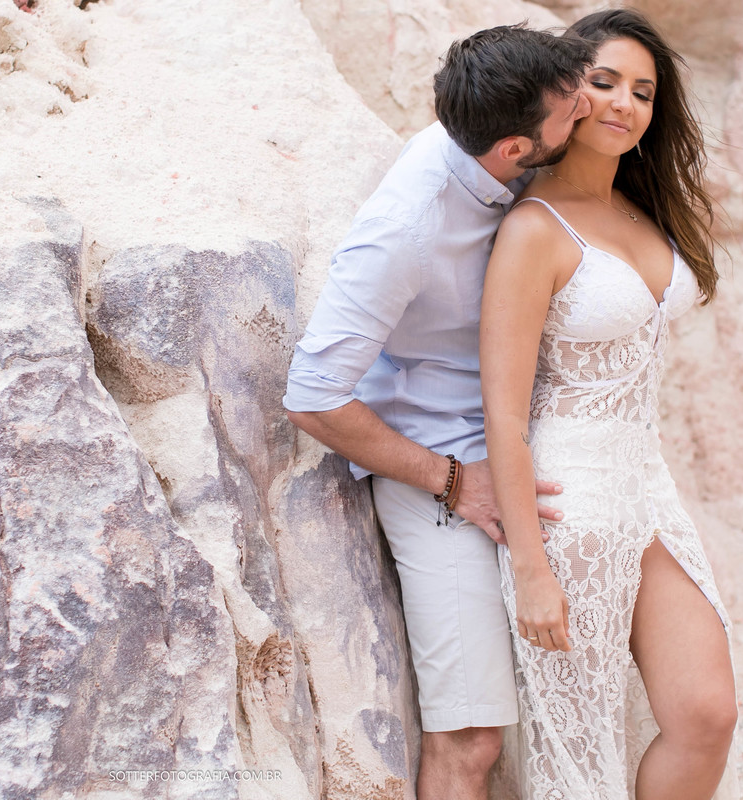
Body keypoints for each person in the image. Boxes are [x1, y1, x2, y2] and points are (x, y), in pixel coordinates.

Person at [283, 25, 593, 800]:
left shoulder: (500, 142)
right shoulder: (405, 228)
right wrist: (455, 480)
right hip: (449, 468)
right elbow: (313, 393)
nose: (587, 107)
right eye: (570, 107)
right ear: (515, 150)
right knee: (471, 737)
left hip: (534, 442)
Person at [480, 8, 737, 799]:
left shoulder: (642, 210)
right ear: (568, 93)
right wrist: (530, 569)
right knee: (580, 744)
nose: (625, 103)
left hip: (647, 488)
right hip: (569, 506)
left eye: (644, 90)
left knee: (706, 713)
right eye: (604, 83)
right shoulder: (533, 228)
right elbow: (504, 411)